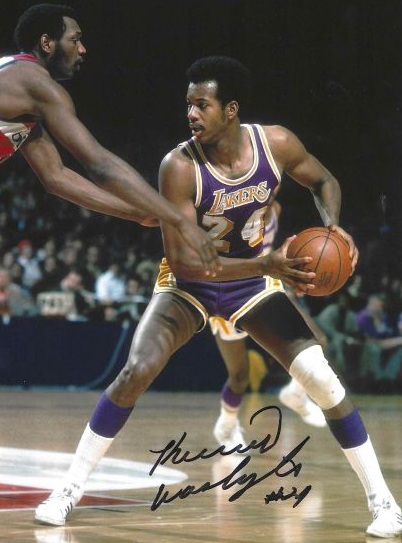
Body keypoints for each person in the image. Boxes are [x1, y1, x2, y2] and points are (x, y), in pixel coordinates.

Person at [35, 56, 401, 538]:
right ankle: (68, 489)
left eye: (201, 105)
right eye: (188, 104)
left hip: (249, 282)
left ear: (231, 109)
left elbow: (324, 180)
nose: (191, 113)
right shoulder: (178, 166)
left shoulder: (276, 143)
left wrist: (332, 225)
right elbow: (187, 264)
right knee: (136, 370)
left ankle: (384, 503)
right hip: (190, 284)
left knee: (323, 381)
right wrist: (265, 266)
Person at [0, 4, 220, 513]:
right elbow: (97, 163)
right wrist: (176, 220)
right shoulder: (33, 82)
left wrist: (138, 214)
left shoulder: (20, 94)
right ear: (47, 43)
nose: (83, 48)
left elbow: (58, 179)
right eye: (75, 38)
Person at [211, 200, 327, 452]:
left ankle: (295, 394)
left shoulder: (275, 208)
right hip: (231, 289)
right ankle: (226, 426)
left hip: (263, 285)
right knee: (239, 376)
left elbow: (268, 251)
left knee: (317, 341)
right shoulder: (237, 205)